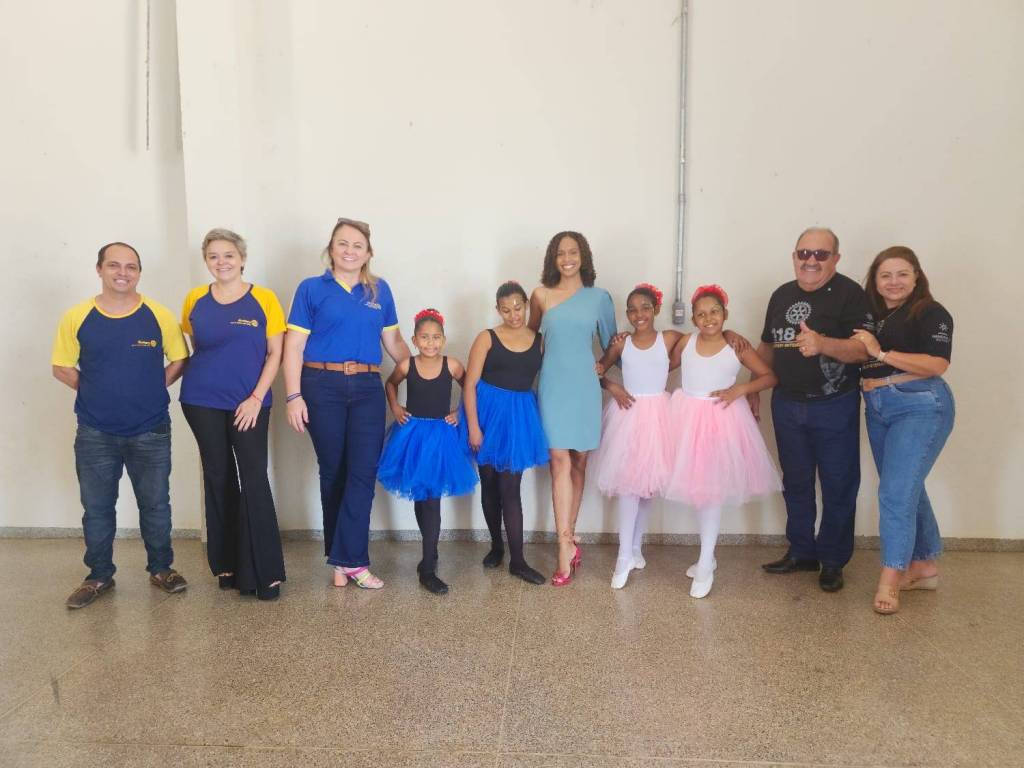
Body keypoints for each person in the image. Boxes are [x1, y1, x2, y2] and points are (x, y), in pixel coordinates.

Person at [52, 242, 189, 609]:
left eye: (131, 266)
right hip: (95, 432)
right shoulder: (77, 316)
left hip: (151, 429)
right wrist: (94, 390)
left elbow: (180, 359)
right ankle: (98, 575)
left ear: (139, 273)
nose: (123, 273)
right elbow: (61, 366)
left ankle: (161, 569)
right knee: (97, 508)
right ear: (99, 269)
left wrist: (151, 387)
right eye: (114, 265)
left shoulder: (158, 315)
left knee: (155, 504)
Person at [282, 218, 410, 590]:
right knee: (334, 471)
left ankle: (349, 561)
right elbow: (294, 346)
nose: (349, 251)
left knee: (363, 472)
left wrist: (423, 370)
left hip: (368, 387)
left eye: (357, 245)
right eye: (343, 243)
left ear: (368, 253)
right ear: (331, 248)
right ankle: (345, 561)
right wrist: (293, 396)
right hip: (321, 386)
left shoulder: (379, 291)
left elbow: (394, 343)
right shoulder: (311, 289)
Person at [754, 227, 872, 592]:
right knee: (796, 483)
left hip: (834, 405)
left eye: (821, 254)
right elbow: (767, 345)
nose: (811, 261)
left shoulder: (851, 295)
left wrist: (822, 343)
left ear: (836, 258)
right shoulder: (781, 295)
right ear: (794, 256)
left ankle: (833, 560)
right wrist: (752, 388)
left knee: (838, 484)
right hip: (787, 404)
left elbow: (863, 350)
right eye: (804, 253)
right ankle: (802, 551)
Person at [179, 229, 287, 601]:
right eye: (213, 256)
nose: (221, 262)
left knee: (253, 477)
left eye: (228, 255)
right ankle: (225, 564)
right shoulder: (194, 299)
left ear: (242, 259)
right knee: (218, 476)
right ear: (206, 261)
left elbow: (275, 353)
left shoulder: (264, 299)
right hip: (201, 400)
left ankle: (265, 573)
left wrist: (256, 398)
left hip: (250, 403)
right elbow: (197, 347)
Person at [851, 247, 954, 614]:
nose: (893, 282)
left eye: (902, 274)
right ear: (875, 281)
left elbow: (937, 364)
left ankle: (890, 577)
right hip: (877, 405)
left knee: (895, 493)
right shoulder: (874, 314)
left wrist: (880, 353)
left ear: (916, 277)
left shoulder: (930, 312)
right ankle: (923, 565)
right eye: (885, 275)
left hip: (920, 403)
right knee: (907, 488)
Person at [665, 285, 781, 598]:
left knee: (712, 491)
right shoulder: (687, 342)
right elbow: (663, 364)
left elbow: (770, 376)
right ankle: (708, 555)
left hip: (722, 422)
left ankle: (705, 562)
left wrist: (741, 390)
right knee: (699, 491)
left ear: (725, 314)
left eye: (714, 312)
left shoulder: (736, 346)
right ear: (693, 319)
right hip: (687, 419)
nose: (708, 319)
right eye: (701, 314)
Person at [529, 232, 616, 585]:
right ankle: (564, 546)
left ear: (583, 257)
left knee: (579, 460)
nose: (567, 259)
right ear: (553, 258)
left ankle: (571, 535)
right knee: (558, 460)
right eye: (560, 253)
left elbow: (612, 344)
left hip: (584, 387)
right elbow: (529, 342)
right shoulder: (540, 295)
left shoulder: (600, 298)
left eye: (573, 252)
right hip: (552, 385)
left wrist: (604, 366)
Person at [378, 308, 477, 595]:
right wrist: (395, 407)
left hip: (441, 438)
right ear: (414, 340)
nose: (430, 343)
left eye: (435, 337)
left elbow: (472, 388)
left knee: (431, 500)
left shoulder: (452, 365)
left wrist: (459, 412)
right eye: (424, 337)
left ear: (443, 339)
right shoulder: (407, 365)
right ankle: (430, 552)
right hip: (412, 436)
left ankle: (428, 568)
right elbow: (390, 384)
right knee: (421, 498)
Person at [591, 283, 683, 589]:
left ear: (656, 309)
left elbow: (701, 344)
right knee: (630, 487)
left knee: (647, 489)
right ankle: (622, 556)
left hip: (659, 416)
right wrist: (614, 387)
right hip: (628, 414)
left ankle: (635, 547)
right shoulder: (622, 343)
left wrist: (731, 336)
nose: (638, 314)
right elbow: (597, 370)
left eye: (645, 307)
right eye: (631, 309)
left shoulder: (669, 338)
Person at [463, 281, 548, 585]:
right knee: (489, 484)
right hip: (487, 414)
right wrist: (474, 427)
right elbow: (470, 384)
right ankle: (496, 546)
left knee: (510, 488)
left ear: (526, 305)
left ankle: (519, 561)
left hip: (519, 418)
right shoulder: (486, 338)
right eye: (506, 310)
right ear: (497, 309)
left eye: (518, 308)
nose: (514, 315)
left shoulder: (540, 340)